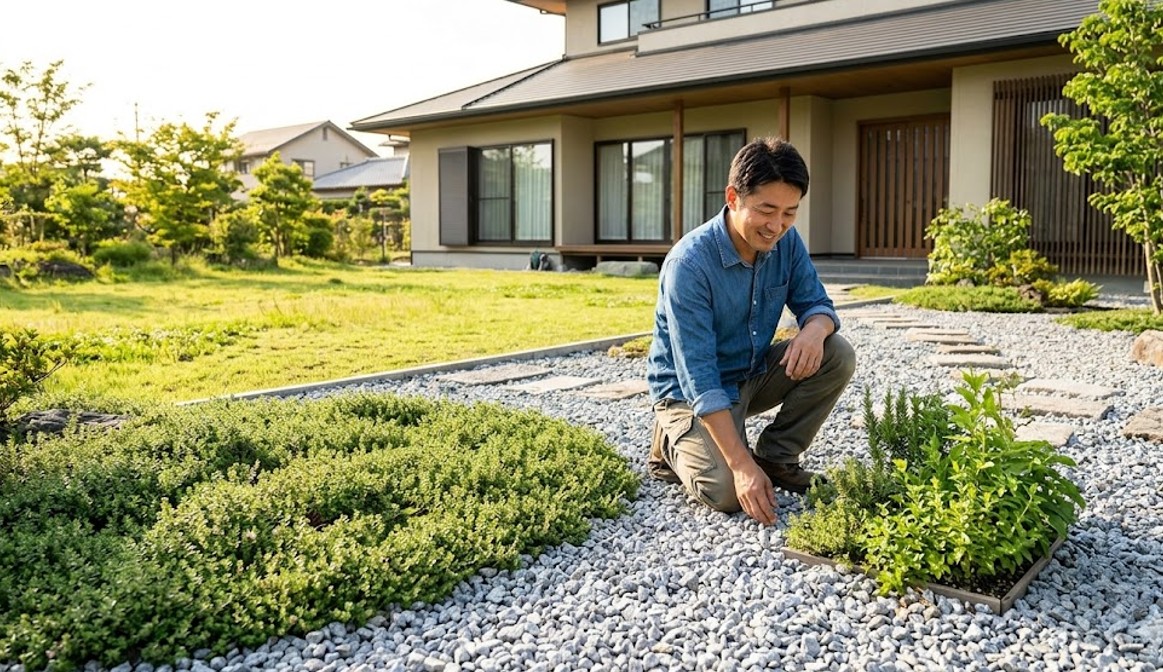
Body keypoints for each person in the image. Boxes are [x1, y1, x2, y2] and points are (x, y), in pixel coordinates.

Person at [646, 136, 856, 526]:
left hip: (750, 375)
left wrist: (814, 329)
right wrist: (740, 467)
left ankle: (776, 458)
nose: (777, 226)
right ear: (733, 197)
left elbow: (818, 305)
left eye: (790, 213)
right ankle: (668, 440)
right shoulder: (688, 266)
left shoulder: (786, 241)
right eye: (766, 210)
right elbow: (699, 379)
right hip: (688, 394)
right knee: (726, 492)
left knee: (836, 352)